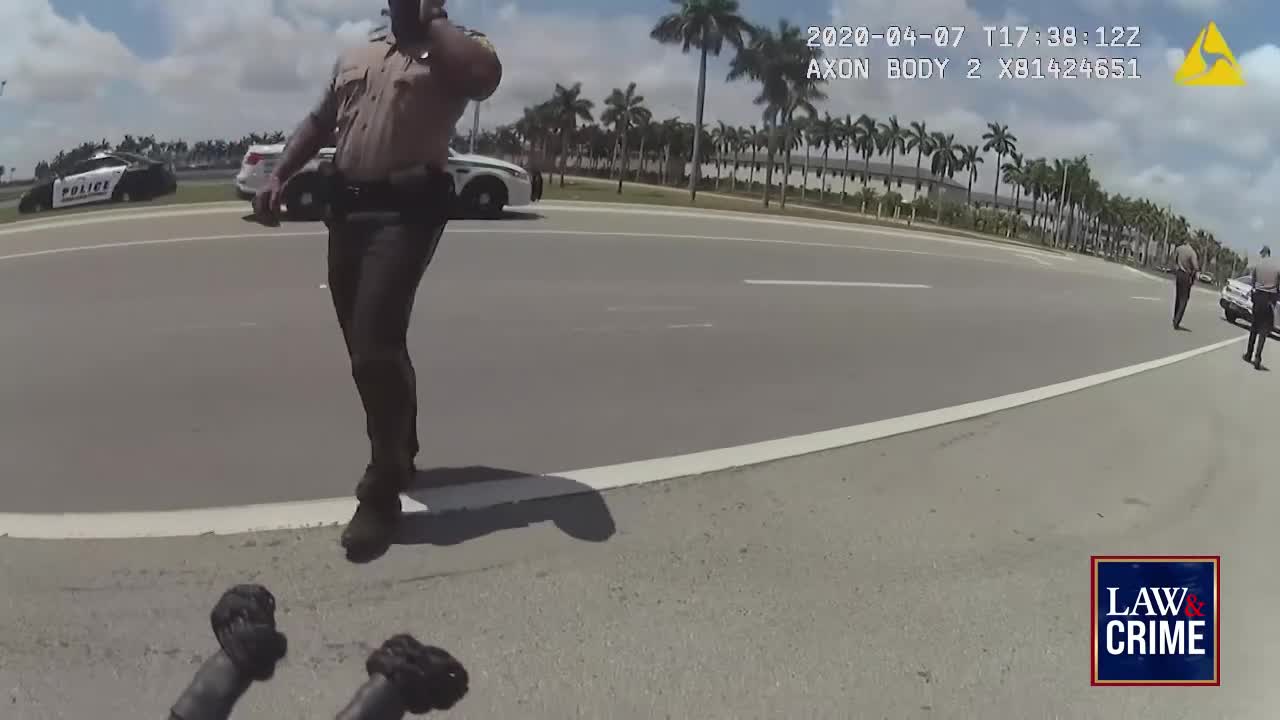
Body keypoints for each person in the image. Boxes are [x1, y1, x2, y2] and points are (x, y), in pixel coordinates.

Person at [252, 0, 502, 556]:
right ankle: (402, 444)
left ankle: (382, 486)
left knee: (373, 347)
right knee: (371, 347)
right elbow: (320, 121)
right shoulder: (358, 53)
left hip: (408, 211)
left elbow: (483, 80)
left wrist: (433, 21)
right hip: (347, 211)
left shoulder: (456, 48)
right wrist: (279, 174)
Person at [1244, 245, 1280, 370]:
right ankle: (1258, 357)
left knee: (1254, 328)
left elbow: (1253, 282)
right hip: (1269, 300)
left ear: (1263, 253)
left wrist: (1255, 291)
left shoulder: (1257, 265)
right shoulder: (1277, 267)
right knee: (1264, 332)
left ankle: (1249, 354)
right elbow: (1279, 286)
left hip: (1258, 297)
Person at [1171, 237, 1200, 329]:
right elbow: (1195, 267)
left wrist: (1176, 267)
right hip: (1186, 276)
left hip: (1179, 273)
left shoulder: (1179, 248)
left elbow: (1173, 258)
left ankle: (1175, 317)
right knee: (1184, 299)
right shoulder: (1192, 253)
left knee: (1178, 297)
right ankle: (1177, 321)